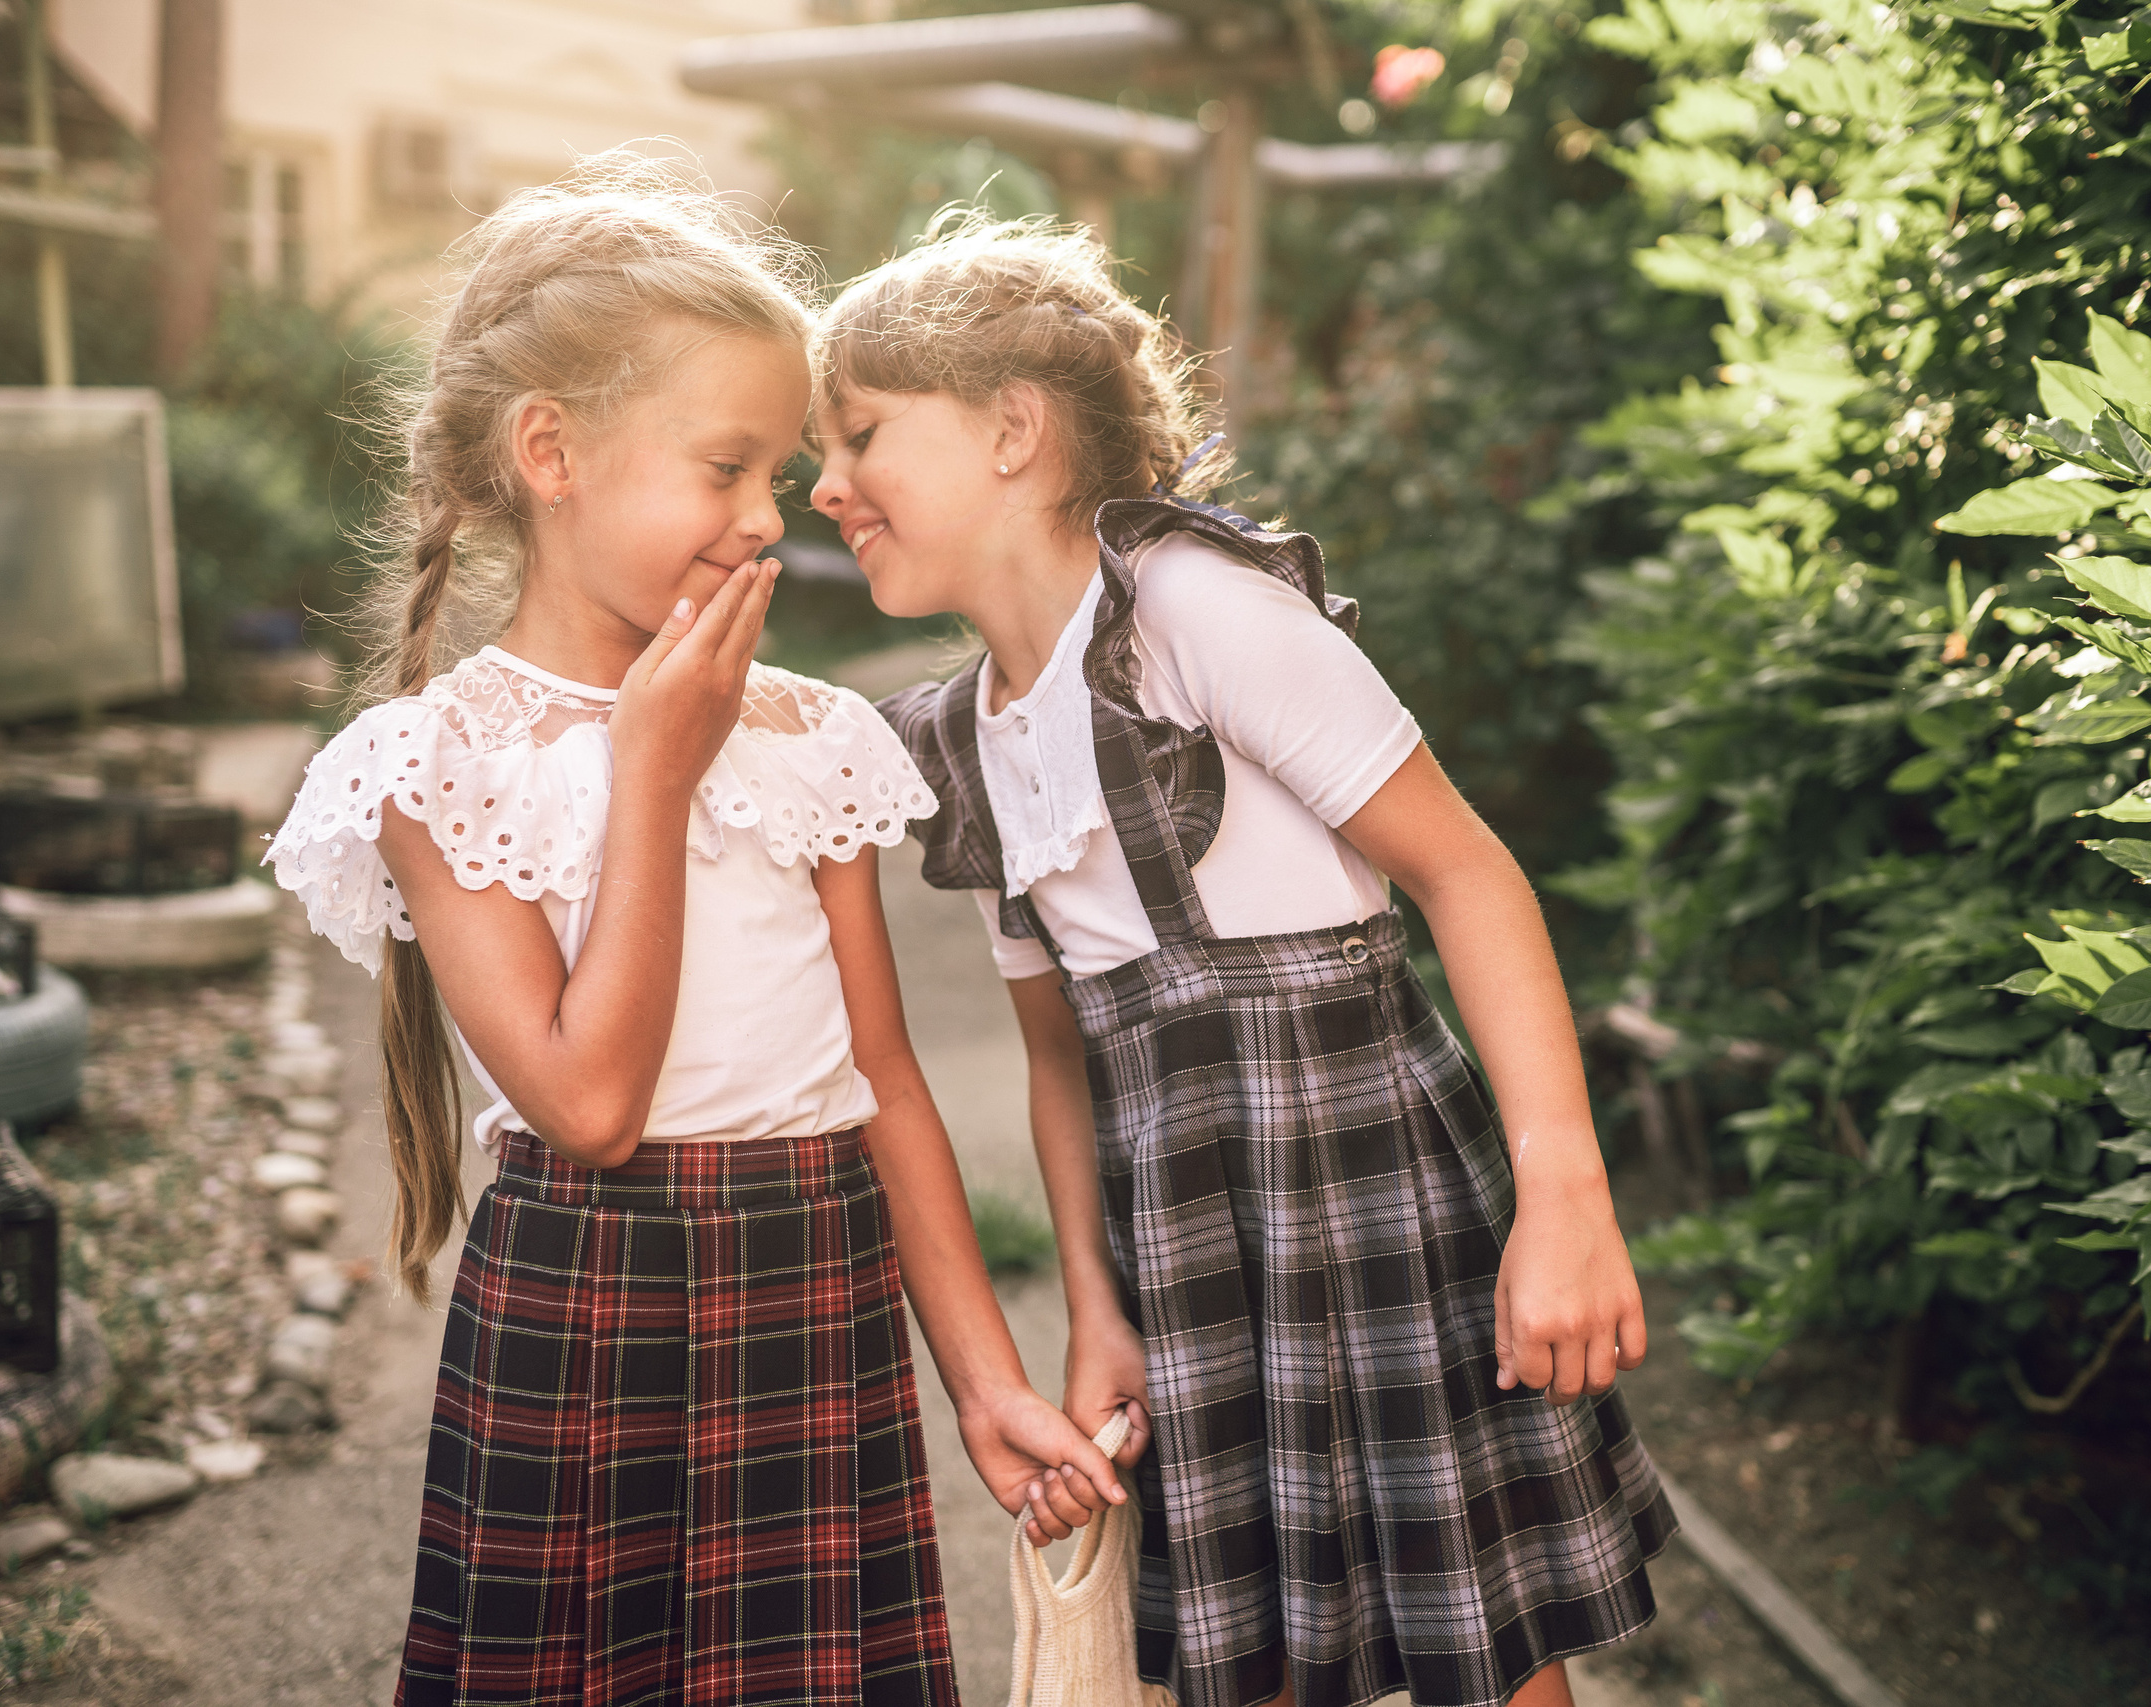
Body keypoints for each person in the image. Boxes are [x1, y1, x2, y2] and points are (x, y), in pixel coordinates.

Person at [263, 162, 1120, 1707]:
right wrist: (651, 779)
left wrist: (985, 1381)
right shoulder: (442, 762)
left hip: (817, 1287)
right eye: (723, 467)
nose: (761, 525)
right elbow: (588, 1108)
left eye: (779, 479)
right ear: (550, 455)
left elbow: (887, 1084)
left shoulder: (813, 735)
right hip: (594, 1306)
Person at [809, 218, 1679, 1707]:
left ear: (1014, 429)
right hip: (1191, 1252)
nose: (827, 487)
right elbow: (1061, 1056)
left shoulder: (1196, 614)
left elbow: (1467, 875)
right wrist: (1093, 1301)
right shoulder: (957, 744)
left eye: (863, 437)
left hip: (1373, 1198)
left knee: (1478, 1640)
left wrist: (1566, 1200)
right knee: (1249, 1654)